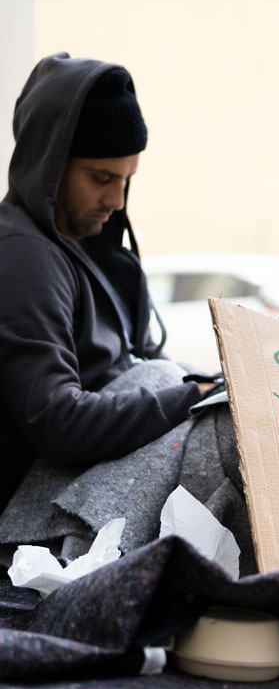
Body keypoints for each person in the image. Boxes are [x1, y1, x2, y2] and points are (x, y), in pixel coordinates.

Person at [0, 53, 252, 571]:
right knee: (222, 423)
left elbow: (146, 367)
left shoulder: (98, 251)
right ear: (50, 163)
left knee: (251, 412)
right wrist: (190, 395)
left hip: (104, 482)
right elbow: (56, 421)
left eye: (126, 178)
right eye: (99, 177)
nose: (116, 198)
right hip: (41, 511)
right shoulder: (21, 253)